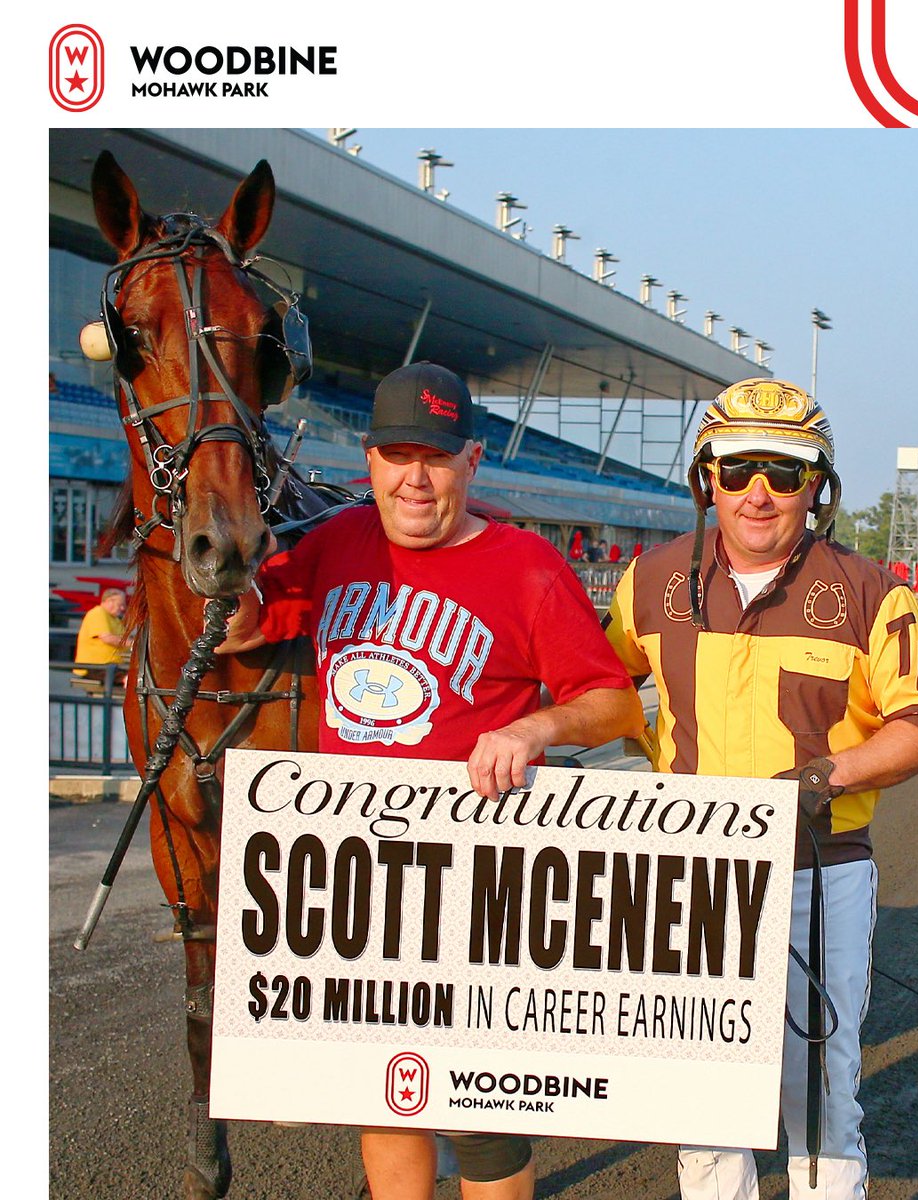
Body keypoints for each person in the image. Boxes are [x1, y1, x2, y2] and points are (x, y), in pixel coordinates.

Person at [217, 360, 644, 1200]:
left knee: (480, 1116)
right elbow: (241, 628)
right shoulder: (334, 545)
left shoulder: (527, 567)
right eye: (398, 454)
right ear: (368, 462)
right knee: (386, 1098)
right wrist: (227, 561)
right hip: (358, 883)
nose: (416, 478)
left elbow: (615, 706)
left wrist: (533, 727)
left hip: (476, 885)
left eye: (437, 457)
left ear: (471, 462)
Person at [604, 377, 918, 1200]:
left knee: (817, 1090)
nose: (758, 493)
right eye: (738, 470)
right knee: (703, 1085)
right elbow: (597, 695)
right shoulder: (648, 582)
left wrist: (822, 778)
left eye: (784, 473)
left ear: (817, 489)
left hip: (816, 869)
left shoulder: (872, 591)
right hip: (686, 875)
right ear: (706, 481)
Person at [72, 587, 129, 684]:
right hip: (96, 667)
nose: (123, 608)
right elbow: (107, 638)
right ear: (109, 601)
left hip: (113, 666)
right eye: (120, 605)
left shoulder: (116, 619)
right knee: (131, 680)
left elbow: (124, 641)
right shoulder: (97, 613)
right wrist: (132, 644)